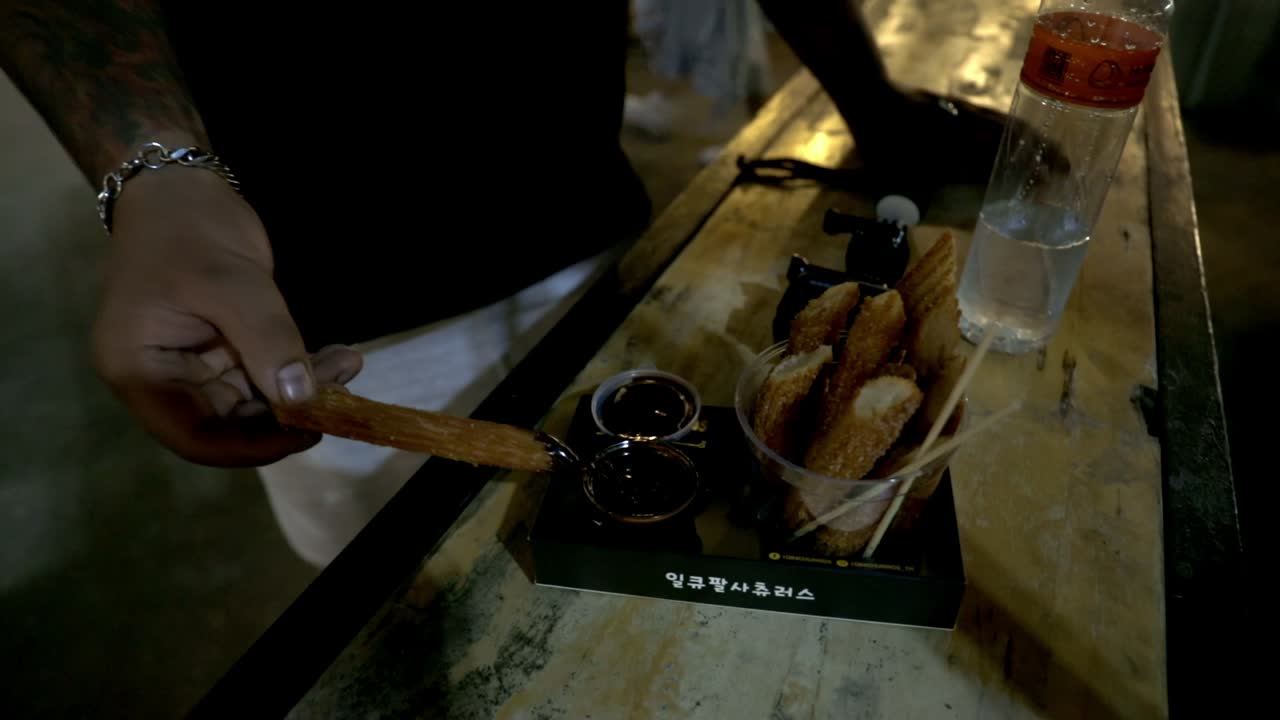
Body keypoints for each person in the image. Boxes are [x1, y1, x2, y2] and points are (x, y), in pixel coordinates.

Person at [0, 1, 1006, 566]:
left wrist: (869, 100)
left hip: (596, 238)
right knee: (399, 592)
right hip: (308, 307)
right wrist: (154, 172)